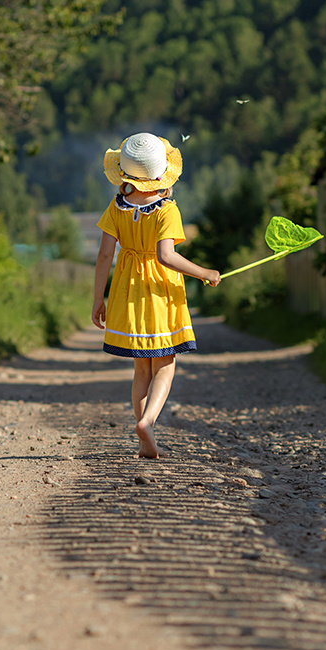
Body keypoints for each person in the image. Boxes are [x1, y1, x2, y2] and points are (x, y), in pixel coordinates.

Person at [91, 132, 221, 459]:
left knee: (141, 369)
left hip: (126, 290)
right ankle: (148, 422)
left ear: (124, 173)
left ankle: (141, 433)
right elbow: (166, 256)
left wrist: (98, 299)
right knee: (166, 362)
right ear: (163, 174)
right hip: (160, 292)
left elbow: (105, 256)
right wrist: (204, 272)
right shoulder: (167, 210)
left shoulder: (117, 207)